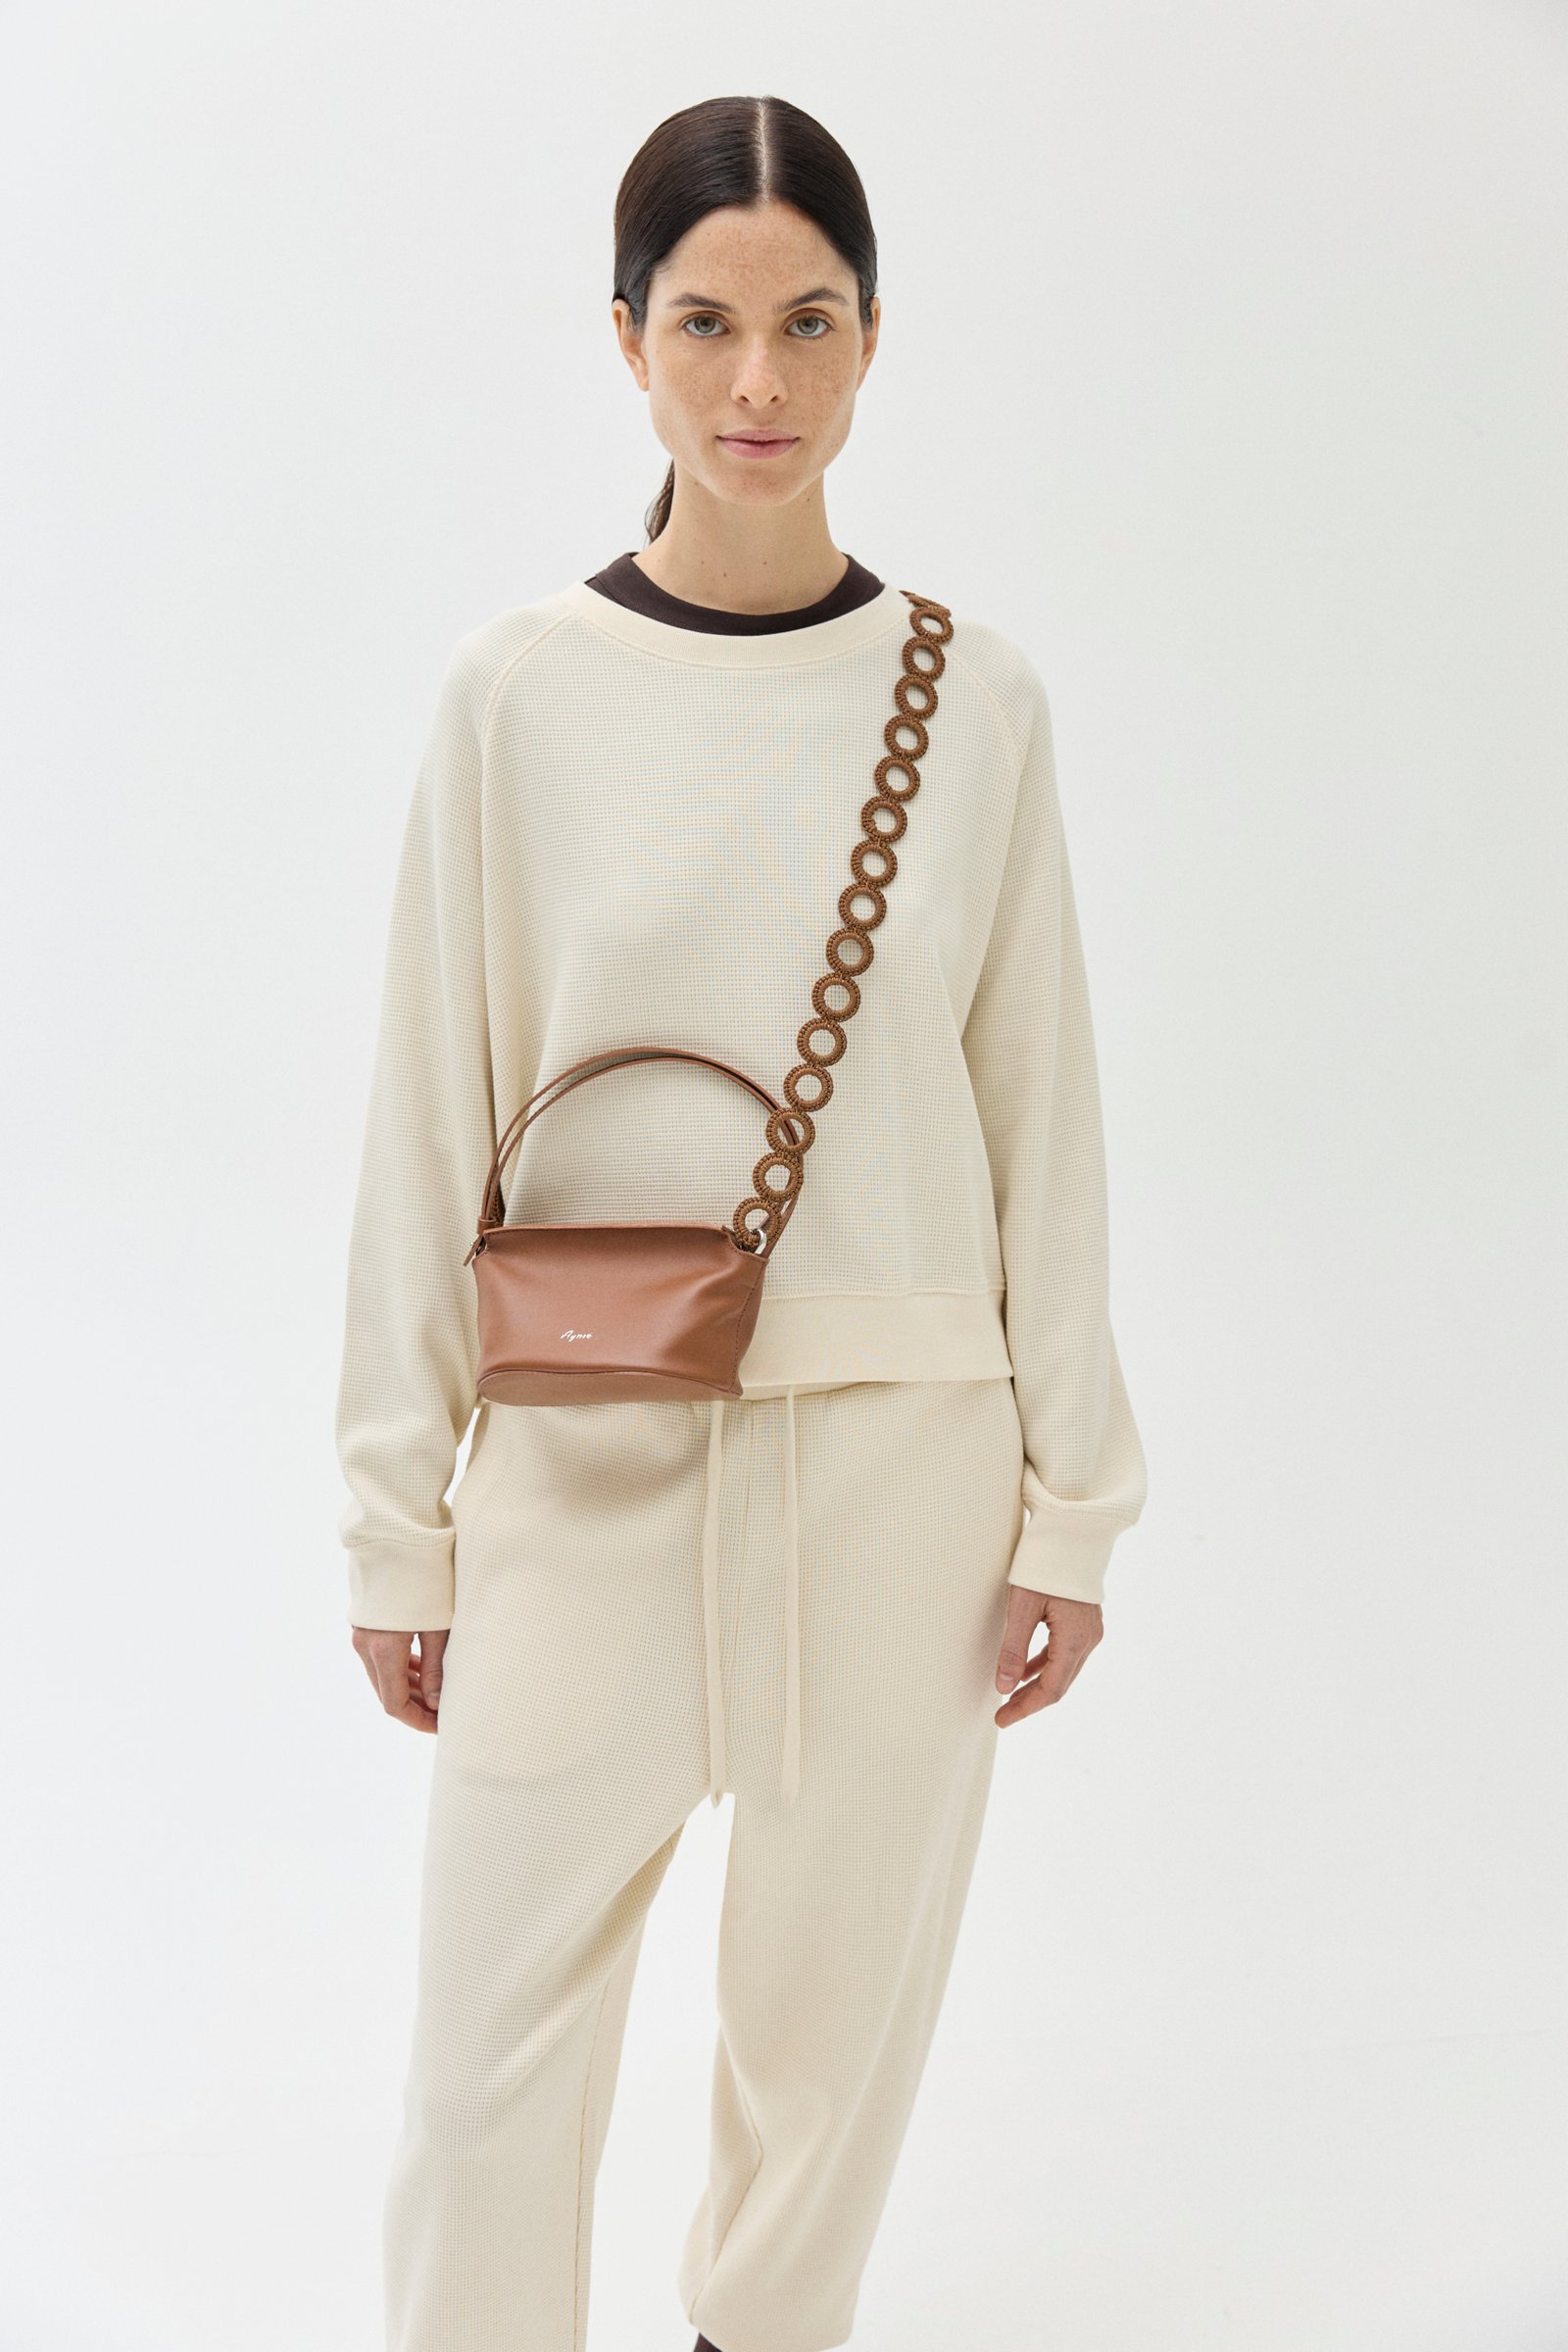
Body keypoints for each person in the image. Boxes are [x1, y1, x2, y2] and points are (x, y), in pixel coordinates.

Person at [334, 90, 1149, 2352]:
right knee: (482, 2077)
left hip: (900, 1476)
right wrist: (396, 1522)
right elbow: (424, 1123)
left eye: (806, 321)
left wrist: (1071, 1506)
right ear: (625, 341)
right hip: (578, 1463)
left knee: (826, 2070)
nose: (756, 381)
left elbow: (1042, 1118)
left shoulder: (971, 704)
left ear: (873, 338)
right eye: (702, 322)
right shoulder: (515, 698)